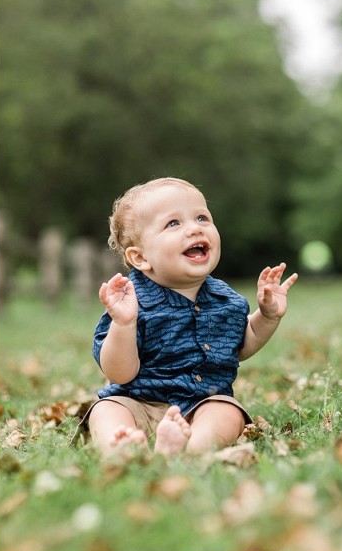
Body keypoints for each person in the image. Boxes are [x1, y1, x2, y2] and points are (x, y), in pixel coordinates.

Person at [78, 177, 298, 458]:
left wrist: (267, 316)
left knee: (228, 411)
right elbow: (119, 373)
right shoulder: (129, 303)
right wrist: (123, 323)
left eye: (202, 218)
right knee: (106, 409)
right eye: (173, 223)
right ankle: (122, 445)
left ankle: (188, 448)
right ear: (141, 258)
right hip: (137, 404)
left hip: (200, 406)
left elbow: (241, 345)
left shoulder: (225, 300)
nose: (195, 228)